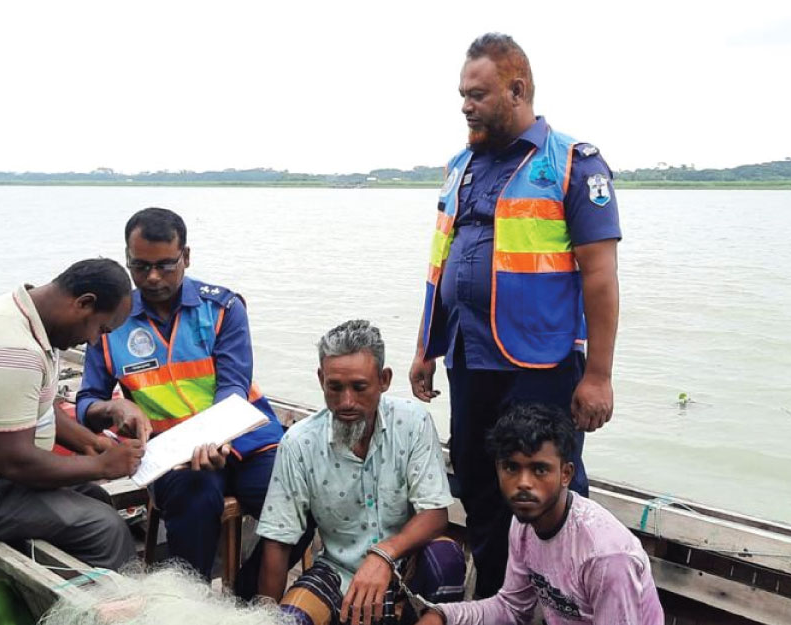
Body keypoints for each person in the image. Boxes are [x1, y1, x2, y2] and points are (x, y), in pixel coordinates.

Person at [409, 32, 622, 598]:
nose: (465, 106)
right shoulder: (460, 166)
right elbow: (440, 263)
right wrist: (426, 348)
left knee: (548, 494)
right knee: (480, 485)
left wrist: (598, 376)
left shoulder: (572, 163)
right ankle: (497, 600)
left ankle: (566, 602)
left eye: (477, 95)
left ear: (517, 90)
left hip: (541, 364)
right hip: (468, 358)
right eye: (462, 94)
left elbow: (600, 277)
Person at [76, 207, 306, 593]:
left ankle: (242, 601)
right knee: (196, 495)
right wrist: (113, 407)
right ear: (127, 259)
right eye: (140, 266)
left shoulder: (222, 309)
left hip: (248, 441)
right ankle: (191, 602)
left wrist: (217, 437)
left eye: (165, 265)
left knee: (299, 499)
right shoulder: (111, 322)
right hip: (171, 455)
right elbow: (87, 402)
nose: (152, 277)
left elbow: (233, 387)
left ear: (186, 256)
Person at [0, 259, 144, 570]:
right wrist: (101, 465)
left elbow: (33, 405)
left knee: (96, 498)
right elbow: (12, 462)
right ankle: (105, 600)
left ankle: (75, 577)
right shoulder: (12, 350)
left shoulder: (25, 315)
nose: (93, 341)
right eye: (100, 329)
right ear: (84, 303)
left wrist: (92, 444)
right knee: (105, 529)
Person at [258, 320, 465, 625]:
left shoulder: (413, 422)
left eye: (359, 387)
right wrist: (264, 617)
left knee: (446, 559)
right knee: (290, 618)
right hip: (337, 573)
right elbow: (278, 541)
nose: (347, 402)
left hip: (406, 564)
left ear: (384, 380)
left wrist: (384, 555)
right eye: (335, 387)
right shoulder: (299, 443)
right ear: (321, 380)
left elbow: (435, 514)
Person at [417, 404, 663, 624]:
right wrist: (442, 615)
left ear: (565, 474)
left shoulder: (605, 556)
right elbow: (511, 608)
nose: (523, 483)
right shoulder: (525, 523)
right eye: (511, 468)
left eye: (540, 470)